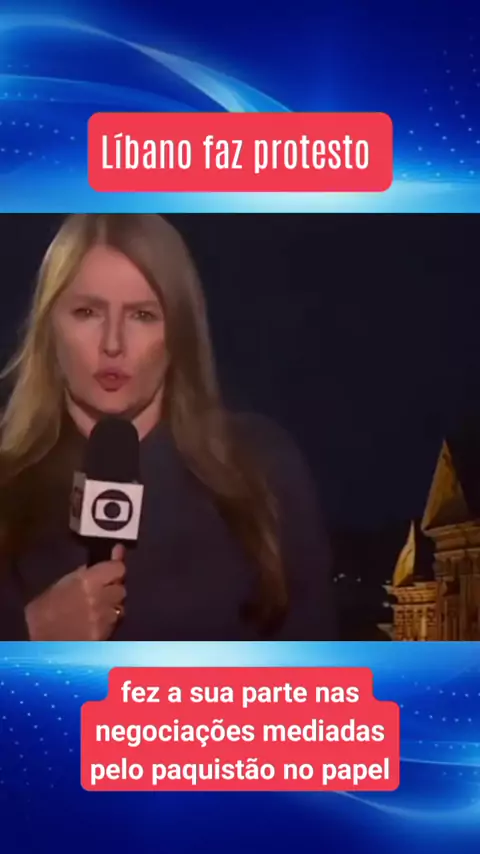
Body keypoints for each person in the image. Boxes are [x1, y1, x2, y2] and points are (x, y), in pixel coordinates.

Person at [0, 214, 335, 641]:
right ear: (49, 328)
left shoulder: (260, 468)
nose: (113, 343)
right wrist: (27, 634)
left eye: (142, 315)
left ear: (179, 332)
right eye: (87, 312)